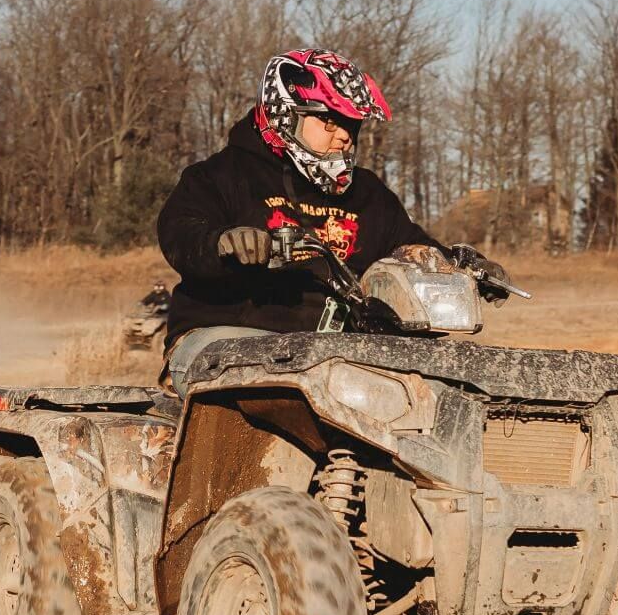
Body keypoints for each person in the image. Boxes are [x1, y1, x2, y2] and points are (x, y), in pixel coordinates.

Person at [156, 48, 467, 389]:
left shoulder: (369, 194)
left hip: (333, 353)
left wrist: (458, 266)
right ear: (285, 115)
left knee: (447, 382)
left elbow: (412, 247)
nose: (345, 136)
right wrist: (222, 243)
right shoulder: (219, 176)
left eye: (351, 125)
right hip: (221, 339)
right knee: (287, 386)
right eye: (329, 121)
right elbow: (180, 234)